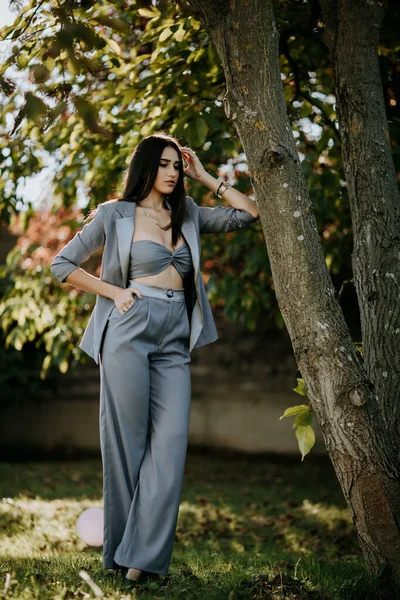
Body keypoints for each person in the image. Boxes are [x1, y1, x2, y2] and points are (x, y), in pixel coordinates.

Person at [50, 132, 259, 584]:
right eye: (164, 164)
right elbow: (62, 265)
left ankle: (140, 555)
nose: (172, 172)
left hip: (174, 335)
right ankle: (127, 562)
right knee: (128, 445)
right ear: (146, 167)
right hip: (128, 326)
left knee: (170, 444)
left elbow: (250, 212)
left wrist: (205, 176)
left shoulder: (187, 214)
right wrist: (115, 292)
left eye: (176, 165)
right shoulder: (115, 214)